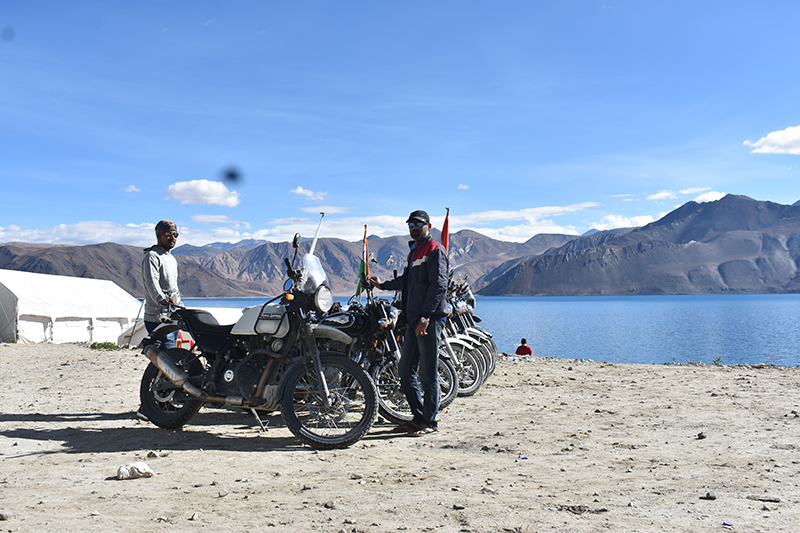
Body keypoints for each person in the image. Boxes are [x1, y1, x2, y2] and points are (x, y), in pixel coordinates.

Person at [369, 210, 449, 437]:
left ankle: (430, 422)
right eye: (411, 224)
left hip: (429, 320)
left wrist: (425, 318)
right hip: (414, 319)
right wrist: (383, 285)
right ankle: (418, 417)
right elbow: (407, 281)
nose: (414, 227)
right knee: (405, 370)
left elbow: (438, 286)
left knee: (428, 373)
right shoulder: (414, 252)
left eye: (418, 224)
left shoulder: (435, 250)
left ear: (429, 226)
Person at [137, 220, 182, 419]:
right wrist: (161, 300)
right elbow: (151, 282)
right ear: (159, 234)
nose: (172, 238)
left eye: (175, 235)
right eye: (169, 235)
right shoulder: (152, 256)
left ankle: (159, 402)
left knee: (170, 360)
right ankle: (149, 406)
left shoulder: (171, 259)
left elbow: (175, 289)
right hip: (158, 316)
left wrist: (181, 308)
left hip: (174, 314)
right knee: (164, 360)